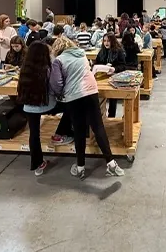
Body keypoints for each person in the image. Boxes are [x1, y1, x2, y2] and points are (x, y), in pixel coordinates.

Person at [50, 37, 124, 179]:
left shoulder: (59, 60)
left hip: (74, 96)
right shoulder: (82, 54)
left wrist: (59, 94)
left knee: (79, 130)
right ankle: (111, 163)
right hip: (91, 92)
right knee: (98, 127)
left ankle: (80, 167)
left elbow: (57, 83)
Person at [17, 41, 73, 177]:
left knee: (34, 135)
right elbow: (56, 88)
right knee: (72, 106)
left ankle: (37, 164)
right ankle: (59, 134)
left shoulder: (24, 70)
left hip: (29, 107)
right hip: (47, 105)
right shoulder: (48, 69)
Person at [95, 33, 126, 118]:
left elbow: (123, 65)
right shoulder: (102, 51)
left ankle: (111, 117)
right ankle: (101, 117)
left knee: (113, 99)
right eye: (104, 41)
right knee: (99, 98)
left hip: (114, 78)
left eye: (108, 41)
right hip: (102, 78)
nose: (106, 43)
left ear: (112, 41)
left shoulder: (119, 51)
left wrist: (114, 69)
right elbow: (97, 63)